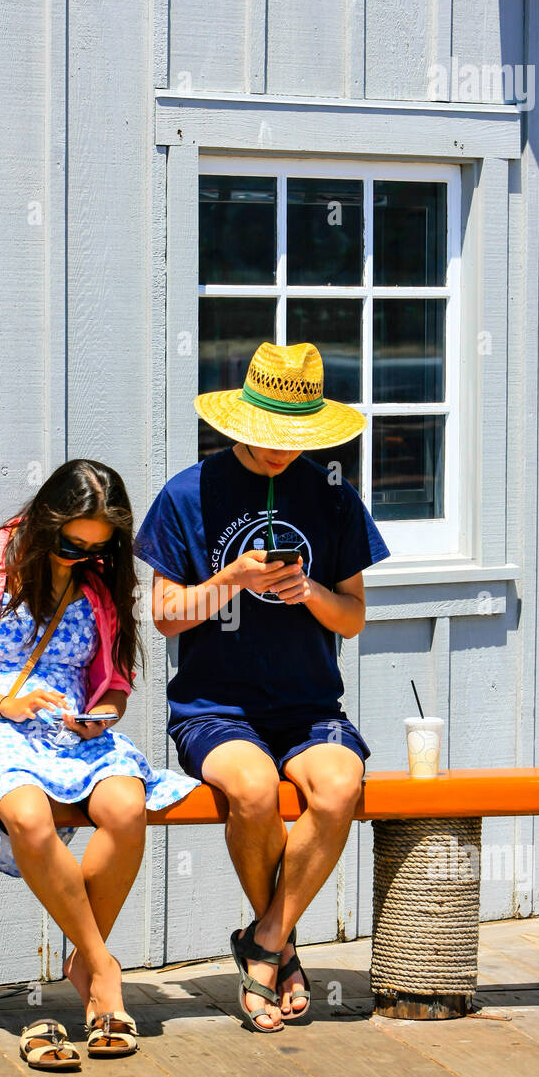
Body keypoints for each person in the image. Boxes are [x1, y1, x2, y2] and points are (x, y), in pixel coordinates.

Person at [0, 459, 200, 1068]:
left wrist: (103, 714)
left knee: (127, 804)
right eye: (69, 542)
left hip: (70, 731)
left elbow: (115, 681)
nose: (79, 556)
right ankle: (103, 968)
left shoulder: (98, 581)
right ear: (44, 518)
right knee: (29, 817)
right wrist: (9, 702)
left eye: (96, 548)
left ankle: (82, 962)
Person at [134, 342, 391, 1033]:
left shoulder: (333, 495)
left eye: (296, 438)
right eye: (272, 436)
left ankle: (267, 941)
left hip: (310, 706)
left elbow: (354, 617)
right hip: (214, 706)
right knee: (250, 792)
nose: (283, 453)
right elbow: (163, 617)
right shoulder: (189, 494)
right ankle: (284, 951)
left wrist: (307, 589)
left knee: (338, 788)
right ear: (239, 421)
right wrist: (230, 581)